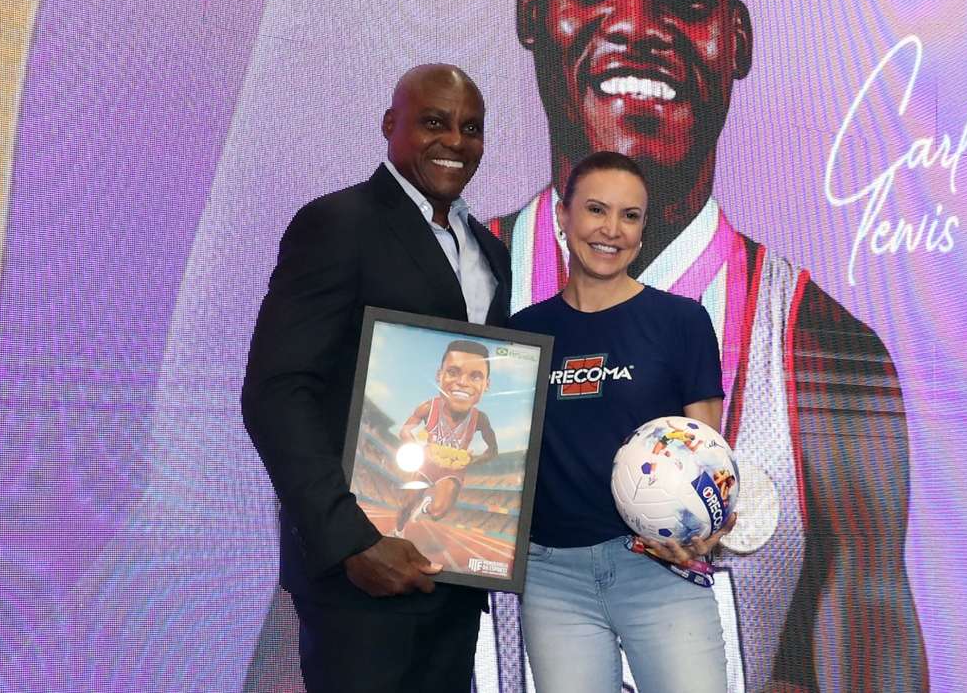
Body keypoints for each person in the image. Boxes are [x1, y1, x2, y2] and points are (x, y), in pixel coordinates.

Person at [488, 0, 928, 691]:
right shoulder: (449, 296)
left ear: (738, 39)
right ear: (534, 9)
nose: (636, 22)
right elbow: (323, 644)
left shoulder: (819, 354)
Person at [241, 64, 512, 693]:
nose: (455, 141)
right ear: (391, 124)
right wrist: (350, 541)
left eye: (471, 128)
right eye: (434, 122)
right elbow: (277, 392)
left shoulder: (490, 251)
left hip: (452, 567)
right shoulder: (338, 223)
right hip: (361, 573)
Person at [509, 150, 734, 693]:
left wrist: (712, 525)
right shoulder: (521, 334)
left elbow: (711, 458)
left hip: (659, 568)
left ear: (642, 228)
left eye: (629, 216)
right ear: (563, 216)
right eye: (596, 210)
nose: (611, 230)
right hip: (553, 579)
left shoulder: (682, 322)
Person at [394, 339, 500, 534]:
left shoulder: (480, 419)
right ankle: (397, 532)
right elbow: (405, 431)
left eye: (476, 376)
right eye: (453, 372)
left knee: (437, 512)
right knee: (406, 504)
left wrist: (471, 461)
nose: (463, 382)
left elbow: (493, 450)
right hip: (428, 461)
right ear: (439, 375)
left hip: (452, 468)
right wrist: (420, 450)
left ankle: (425, 507)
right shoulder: (429, 407)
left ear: (487, 384)